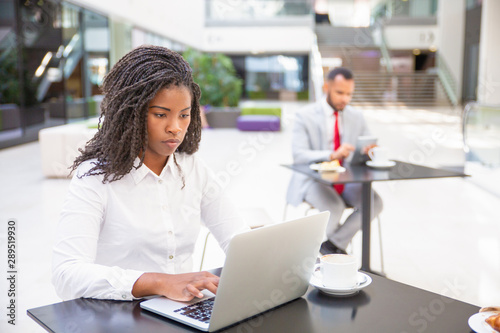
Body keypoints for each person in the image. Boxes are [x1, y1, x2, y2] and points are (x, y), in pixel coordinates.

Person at [52, 45, 249, 302]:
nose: (175, 128)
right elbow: (66, 274)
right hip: (118, 314)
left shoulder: (191, 168)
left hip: (182, 311)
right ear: (130, 114)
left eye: (184, 115)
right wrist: (159, 282)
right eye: (160, 115)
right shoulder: (94, 177)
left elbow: (237, 238)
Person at [286, 67, 383, 255]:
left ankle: (332, 247)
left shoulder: (356, 116)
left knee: (375, 202)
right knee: (334, 207)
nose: (345, 99)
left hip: (345, 180)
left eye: (349, 94)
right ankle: (324, 259)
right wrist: (331, 155)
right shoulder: (304, 116)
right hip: (314, 179)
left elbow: (369, 142)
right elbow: (299, 155)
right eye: (340, 93)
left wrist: (371, 150)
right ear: (326, 87)